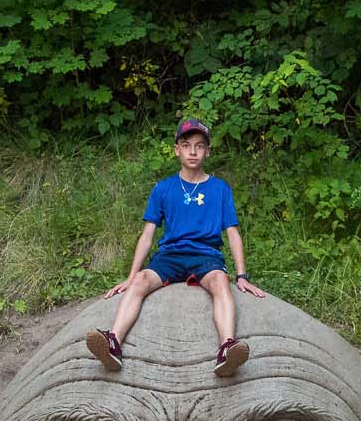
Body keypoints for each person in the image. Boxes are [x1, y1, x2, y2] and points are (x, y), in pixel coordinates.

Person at [87, 117, 267, 377]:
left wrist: (242, 276)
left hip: (205, 255)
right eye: (186, 145)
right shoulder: (163, 188)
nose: (193, 151)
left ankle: (227, 348)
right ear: (176, 150)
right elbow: (147, 234)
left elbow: (232, 233)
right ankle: (113, 343)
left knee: (219, 281)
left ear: (208, 151)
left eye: (199, 145)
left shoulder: (219, 188)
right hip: (169, 256)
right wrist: (130, 276)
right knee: (140, 281)